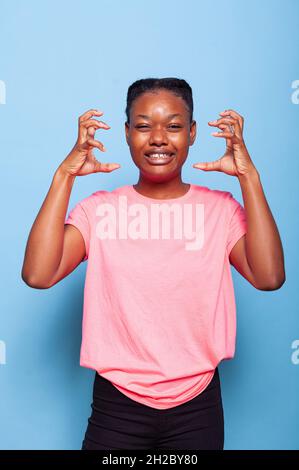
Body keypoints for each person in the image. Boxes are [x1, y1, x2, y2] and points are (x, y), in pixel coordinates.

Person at [21, 77, 285, 450]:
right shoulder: (100, 210)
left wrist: (249, 178)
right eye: (144, 126)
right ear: (127, 133)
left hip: (197, 404)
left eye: (174, 126)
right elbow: (38, 273)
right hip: (118, 404)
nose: (158, 138)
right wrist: (63, 176)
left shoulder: (221, 210)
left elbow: (269, 276)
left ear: (192, 133)